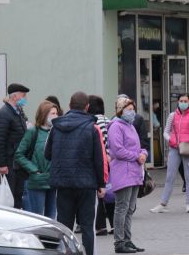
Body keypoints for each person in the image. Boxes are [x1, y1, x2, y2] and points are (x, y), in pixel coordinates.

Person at [45, 91, 106, 255]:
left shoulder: (56, 127)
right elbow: (98, 159)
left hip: (63, 183)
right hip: (87, 184)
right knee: (87, 227)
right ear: (87, 107)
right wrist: (101, 184)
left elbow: (47, 154)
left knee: (64, 226)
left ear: (70, 106)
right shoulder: (92, 128)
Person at [150, 93, 189, 214]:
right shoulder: (172, 115)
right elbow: (165, 131)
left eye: (185, 101)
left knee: (188, 176)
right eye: (181, 100)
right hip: (174, 148)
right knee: (169, 176)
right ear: (178, 102)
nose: (183, 103)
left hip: (187, 148)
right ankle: (163, 204)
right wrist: (170, 140)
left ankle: (188, 203)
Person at [108, 97, 147, 253]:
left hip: (134, 172)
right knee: (121, 208)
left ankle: (127, 240)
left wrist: (143, 153)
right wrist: (136, 156)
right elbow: (117, 150)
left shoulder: (130, 126)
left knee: (130, 209)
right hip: (123, 172)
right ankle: (119, 242)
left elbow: (139, 147)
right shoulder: (116, 126)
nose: (132, 112)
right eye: (128, 109)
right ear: (120, 110)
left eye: (133, 109)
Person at [14, 100, 58, 219]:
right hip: (36, 181)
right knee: (37, 218)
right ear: (44, 114)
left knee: (51, 219)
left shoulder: (56, 132)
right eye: (52, 113)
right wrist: (33, 170)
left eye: (56, 113)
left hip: (53, 180)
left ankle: (49, 239)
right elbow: (19, 154)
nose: (55, 116)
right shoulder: (33, 132)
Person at [0, 83, 30, 209]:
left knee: (18, 195)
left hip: (18, 162)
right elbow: (0, 141)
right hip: (9, 163)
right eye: (23, 95)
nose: (25, 98)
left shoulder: (18, 112)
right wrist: (1, 164)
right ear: (15, 96)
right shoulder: (4, 114)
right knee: (10, 196)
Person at [88, 95, 114, 236]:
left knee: (99, 193)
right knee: (110, 193)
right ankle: (114, 223)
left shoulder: (92, 122)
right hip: (111, 161)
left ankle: (100, 226)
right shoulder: (108, 120)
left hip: (99, 161)